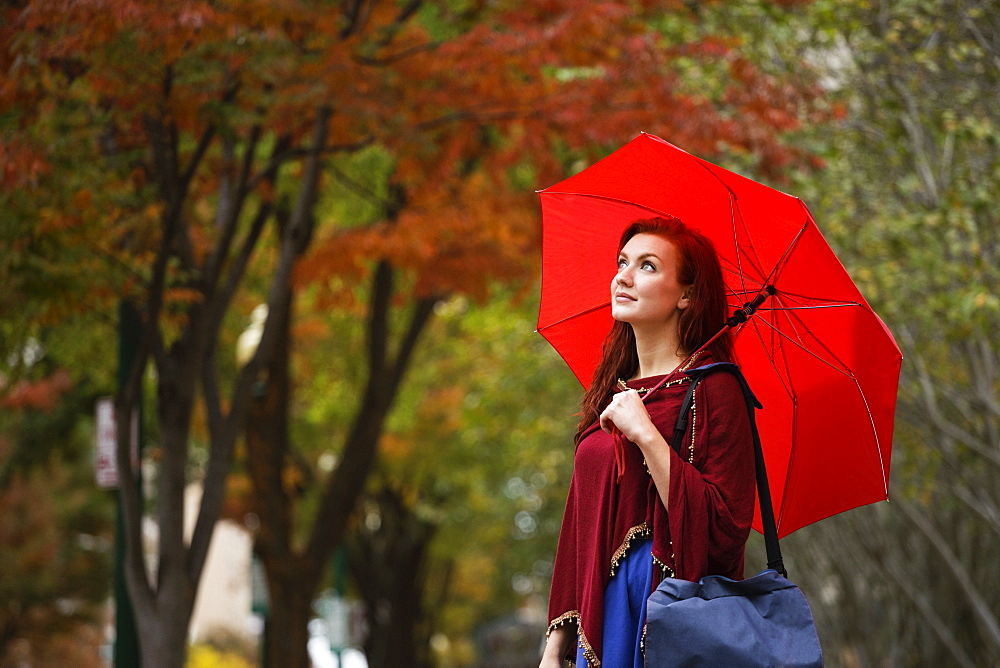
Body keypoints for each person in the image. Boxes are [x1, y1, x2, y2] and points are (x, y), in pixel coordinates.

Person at [539, 216, 756, 667]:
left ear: (687, 295)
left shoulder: (715, 389)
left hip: (662, 608)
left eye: (648, 266)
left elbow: (726, 532)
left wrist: (646, 434)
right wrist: (555, 645)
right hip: (594, 616)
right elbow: (579, 524)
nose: (624, 276)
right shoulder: (610, 392)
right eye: (623, 262)